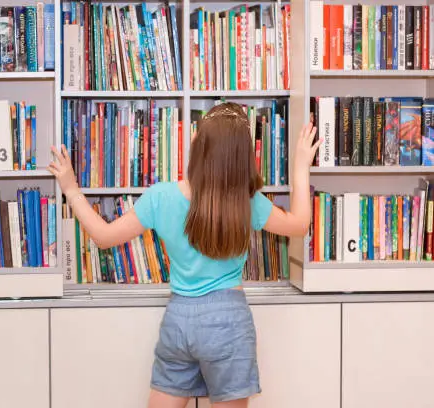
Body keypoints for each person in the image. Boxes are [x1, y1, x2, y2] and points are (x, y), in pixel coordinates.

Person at [48, 102, 320, 408]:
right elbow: (299, 225)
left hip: (179, 320)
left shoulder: (161, 197)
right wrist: (300, 166)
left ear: (198, 144)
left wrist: (71, 190)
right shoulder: (247, 202)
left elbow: (103, 236)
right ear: (242, 158)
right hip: (228, 322)